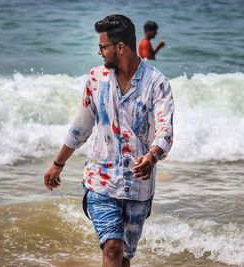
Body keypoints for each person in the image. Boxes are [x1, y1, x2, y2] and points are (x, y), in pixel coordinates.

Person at [43, 14, 174, 267]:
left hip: (138, 187)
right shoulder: (96, 79)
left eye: (103, 46)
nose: (99, 52)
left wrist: (152, 155)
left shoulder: (157, 84)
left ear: (120, 47)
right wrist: (58, 164)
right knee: (112, 248)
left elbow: (165, 130)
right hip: (100, 180)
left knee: (124, 257)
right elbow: (81, 126)